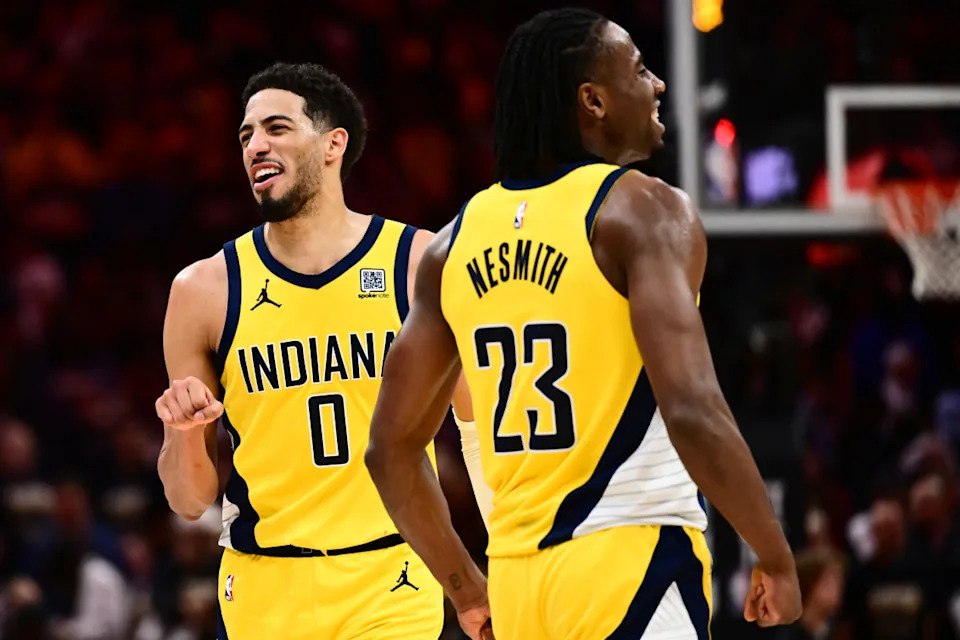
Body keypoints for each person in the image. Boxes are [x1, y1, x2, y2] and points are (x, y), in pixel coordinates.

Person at [365, 8, 802, 640]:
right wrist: (775, 553)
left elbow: (390, 448)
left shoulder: (450, 246)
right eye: (639, 68)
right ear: (592, 101)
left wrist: (465, 587)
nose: (656, 85)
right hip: (629, 562)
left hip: (517, 585)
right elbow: (692, 409)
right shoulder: (641, 209)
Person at [154, 62, 479, 639]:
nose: (256, 145)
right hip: (262, 582)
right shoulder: (202, 291)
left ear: (333, 145)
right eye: (246, 134)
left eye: (277, 128)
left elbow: (478, 424)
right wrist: (182, 434)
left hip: (393, 572)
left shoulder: (418, 262)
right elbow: (188, 499)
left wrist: (488, 566)